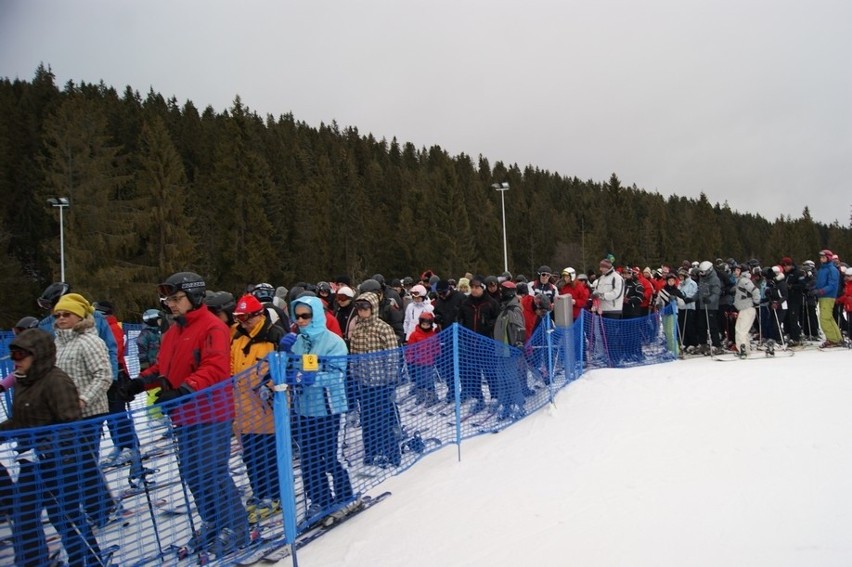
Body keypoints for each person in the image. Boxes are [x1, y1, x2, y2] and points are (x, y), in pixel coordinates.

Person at [120, 271, 249, 554]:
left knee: (211, 472)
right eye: (168, 300)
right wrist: (141, 382)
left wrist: (184, 390)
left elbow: (215, 368)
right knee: (192, 473)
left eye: (176, 299)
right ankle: (214, 521)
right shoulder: (173, 330)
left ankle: (237, 527)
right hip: (184, 415)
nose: (171, 305)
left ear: (194, 296)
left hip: (210, 413)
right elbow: (163, 367)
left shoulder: (211, 327)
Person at [0, 329, 105, 567]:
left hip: (59, 462)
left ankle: (89, 560)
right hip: (29, 461)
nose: (16, 361)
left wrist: (45, 448)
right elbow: (22, 420)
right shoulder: (23, 381)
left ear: (38, 356)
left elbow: (71, 425)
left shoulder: (57, 381)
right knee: (23, 514)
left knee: (64, 515)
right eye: (13, 356)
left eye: (20, 356)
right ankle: (33, 562)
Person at [285, 294, 355, 520]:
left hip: (329, 410)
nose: (301, 321)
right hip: (304, 410)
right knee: (309, 459)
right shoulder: (297, 342)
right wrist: (283, 356)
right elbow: (291, 371)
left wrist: (312, 378)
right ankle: (320, 499)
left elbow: (338, 375)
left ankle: (345, 495)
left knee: (329, 456)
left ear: (316, 316)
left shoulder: (334, 341)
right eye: (297, 317)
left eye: (305, 316)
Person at [52, 293, 117, 529]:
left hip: (89, 413)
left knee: (83, 463)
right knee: (77, 463)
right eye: (57, 315)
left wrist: (82, 399)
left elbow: (103, 375)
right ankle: (99, 505)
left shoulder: (90, 341)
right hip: (65, 414)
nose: (60, 319)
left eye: (66, 314)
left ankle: (99, 509)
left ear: (79, 315)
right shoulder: (58, 342)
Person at [230, 294, 284, 524]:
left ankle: (275, 496)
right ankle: (259, 492)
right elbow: (232, 367)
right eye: (239, 318)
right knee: (250, 456)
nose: (243, 323)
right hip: (243, 409)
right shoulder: (237, 336)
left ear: (259, 315)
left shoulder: (274, 336)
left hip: (266, 409)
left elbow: (284, 368)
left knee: (268, 455)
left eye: (246, 318)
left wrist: (270, 387)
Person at [349, 291, 402, 467]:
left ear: (373, 308)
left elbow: (393, 356)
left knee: (384, 419)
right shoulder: (357, 329)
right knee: (368, 420)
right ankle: (371, 451)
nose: (361, 311)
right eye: (358, 307)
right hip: (364, 383)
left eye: (365, 307)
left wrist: (390, 380)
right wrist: (355, 376)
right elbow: (354, 355)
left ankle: (391, 452)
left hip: (381, 383)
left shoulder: (383, 328)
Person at [94, 300, 143, 470]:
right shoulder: (101, 327)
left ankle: (131, 446)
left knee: (117, 413)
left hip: (116, 375)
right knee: (109, 414)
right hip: (106, 376)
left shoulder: (111, 327)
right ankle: (120, 444)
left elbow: (114, 352)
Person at [458, 275, 501, 409]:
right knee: (473, 372)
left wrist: (491, 324)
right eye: (472, 287)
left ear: (482, 288)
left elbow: (498, 319)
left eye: (477, 287)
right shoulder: (466, 303)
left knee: (490, 371)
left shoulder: (490, 303)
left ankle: (495, 396)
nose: (474, 290)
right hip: (470, 343)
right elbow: (460, 319)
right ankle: (478, 398)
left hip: (487, 342)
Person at [493, 281, 527, 421]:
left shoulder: (513, 309)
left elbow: (519, 327)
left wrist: (518, 343)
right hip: (500, 349)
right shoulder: (504, 308)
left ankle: (518, 405)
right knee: (501, 378)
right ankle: (505, 404)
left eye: (502, 291)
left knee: (511, 378)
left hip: (509, 350)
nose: (500, 294)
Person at [405, 311, 441, 406]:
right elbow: (410, 347)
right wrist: (410, 357)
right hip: (417, 361)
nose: (425, 326)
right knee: (419, 379)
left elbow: (436, 346)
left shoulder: (432, 334)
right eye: (423, 324)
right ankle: (421, 394)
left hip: (429, 362)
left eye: (427, 324)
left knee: (428, 379)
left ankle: (432, 395)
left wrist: (437, 355)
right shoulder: (415, 334)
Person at [814, 250, 843, 347]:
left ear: (828, 258)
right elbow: (820, 283)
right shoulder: (822, 269)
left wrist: (820, 291)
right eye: (821, 257)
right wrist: (813, 289)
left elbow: (832, 285)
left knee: (824, 319)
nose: (821, 259)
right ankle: (837, 338)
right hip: (823, 296)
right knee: (829, 318)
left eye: (823, 257)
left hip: (828, 296)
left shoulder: (832, 269)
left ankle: (832, 340)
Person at [731, 264, 761, 357]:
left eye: (737, 270)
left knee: (741, 330)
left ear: (742, 271)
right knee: (740, 329)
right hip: (743, 308)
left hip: (747, 308)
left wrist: (756, 302)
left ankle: (743, 349)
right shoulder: (740, 280)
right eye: (734, 270)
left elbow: (755, 290)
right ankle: (744, 349)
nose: (735, 272)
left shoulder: (744, 280)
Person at [695, 260, 724, 355]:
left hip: (711, 307)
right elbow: (699, 292)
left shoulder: (715, 279)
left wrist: (710, 300)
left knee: (712, 327)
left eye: (703, 272)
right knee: (701, 326)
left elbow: (716, 293)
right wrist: (691, 299)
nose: (701, 274)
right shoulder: (702, 278)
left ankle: (717, 345)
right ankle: (703, 344)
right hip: (702, 306)